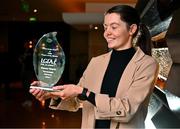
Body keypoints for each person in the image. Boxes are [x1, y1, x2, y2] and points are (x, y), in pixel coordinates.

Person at [29, 5, 159, 129]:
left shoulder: (147, 64)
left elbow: (127, 110)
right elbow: (76, 101)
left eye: (113, 27)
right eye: (105, 27)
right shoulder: (96, 62)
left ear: (132, 29)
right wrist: (53, 93)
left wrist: (83, 92)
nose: (107, 33)